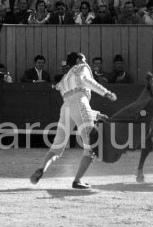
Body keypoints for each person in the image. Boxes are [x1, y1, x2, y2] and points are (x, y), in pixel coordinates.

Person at [30, 52, 117, 190]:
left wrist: (97, 115)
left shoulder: (64, 79)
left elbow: (73, 103)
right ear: (78, 60)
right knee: (91, 147)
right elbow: (86, 84)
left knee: (57, 146)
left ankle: (42, 168)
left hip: (65, 108)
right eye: (84, 59)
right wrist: (105, 92)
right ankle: (77, 180)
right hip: (79, 104)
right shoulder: (81, 67)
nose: (86, 61)